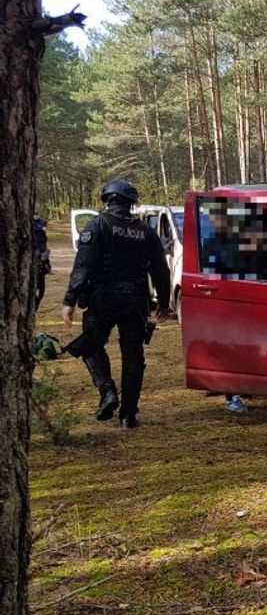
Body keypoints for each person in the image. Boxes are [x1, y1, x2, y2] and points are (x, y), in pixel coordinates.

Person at [62, 178, 171, 429]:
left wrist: (70, 300)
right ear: (131, 203)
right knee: (133, 355)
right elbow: (160, 269)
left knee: (90, 344)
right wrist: (163, 303)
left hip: (103, 298)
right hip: (135, 300)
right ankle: (128, 415)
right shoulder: (145, 231)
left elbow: (83, 266)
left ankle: (107, 392)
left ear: (107, 200)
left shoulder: (98, 225)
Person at [32, 214, 50, 309]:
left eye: (38, 215)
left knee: (45, 256)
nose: (37, 216)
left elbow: (44, 228)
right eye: (35, 215)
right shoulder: (31, 222)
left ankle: (47, 268)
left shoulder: (42, 222)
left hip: (42, 244)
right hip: (35, 245)